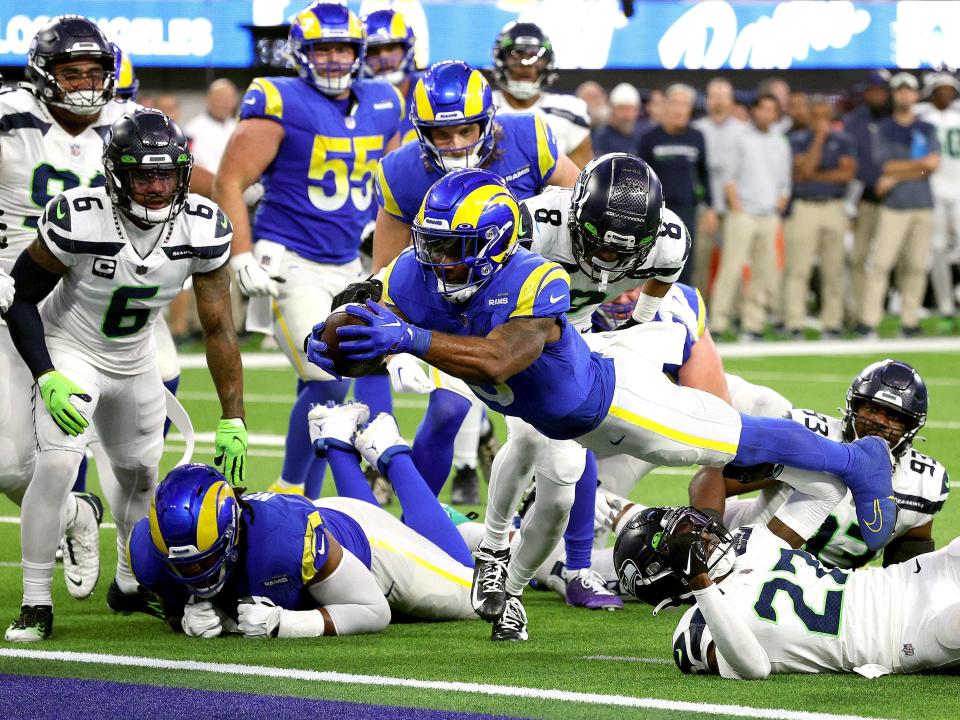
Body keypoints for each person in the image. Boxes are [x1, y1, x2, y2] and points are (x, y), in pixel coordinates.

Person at [308, 167, 897, 642]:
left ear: (491, 248)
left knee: (731, 440)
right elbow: (360, 305)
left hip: (608, 403)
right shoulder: (415, 273)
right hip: (539, 410)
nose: (439, 262)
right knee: (539, 458)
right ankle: (499, 566)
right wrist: (332, 338)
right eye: (431, 246)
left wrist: (407, 339)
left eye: (454, 250)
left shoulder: (538, 279)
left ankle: (858, 461)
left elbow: (498, 359)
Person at [2, 108, 246, 642]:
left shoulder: (202, 226)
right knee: (59, 463)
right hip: (71, 349)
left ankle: (131, 580)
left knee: (140, 474)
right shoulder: (80, 216)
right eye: (143, 174)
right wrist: (45, 374)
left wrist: (234, 419)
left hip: (136, 357)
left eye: (166, 174)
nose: (157, 187)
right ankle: (37, 601)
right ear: (116, 173)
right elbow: (18, 299)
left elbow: (219, 328)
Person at [481, 153, 692, 614]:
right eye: (599, 243)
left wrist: (638, 327)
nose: (607, 259)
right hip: (519, 327)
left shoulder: (669, 241)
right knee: (539, 439)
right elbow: (490, 282)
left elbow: (664, 275)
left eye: (622, 250)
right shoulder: (537, 222)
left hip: (580, 332)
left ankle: (548, 562)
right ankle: (497, 551)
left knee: (572, 456)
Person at [213, 2, 402, 499]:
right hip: (288, 259)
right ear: (301, 53)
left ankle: (306, 497)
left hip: (347, 262)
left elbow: (393, 183)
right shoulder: (279, 98)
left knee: (318, 384)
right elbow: (230, 181)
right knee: (328, 374)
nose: (336, 59)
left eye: (344, 48)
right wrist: (241, 254)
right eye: (324, 48)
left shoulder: (384, 100)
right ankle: (291, 489)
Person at [370, 59, 579, 505]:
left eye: (467, 130)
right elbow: (384, 278)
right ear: (421, 132)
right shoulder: (402, 171)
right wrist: (391, 351)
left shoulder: (529, 138)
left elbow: (580, 208)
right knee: (447, 410)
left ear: (489, 121)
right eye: (442, 134)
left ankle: (566, 547)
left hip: (534, 305)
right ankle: (418, 528)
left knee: (564, 425)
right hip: (456, 306)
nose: (457, 143)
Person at [0, 15, 140, 615]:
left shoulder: (127, 126)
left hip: (93, 300)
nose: (85, 83)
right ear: (44, 74)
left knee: (134, 452)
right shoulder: (10, 116)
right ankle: (78, 510)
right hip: (15, 293)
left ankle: (143, 568)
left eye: (95, 71)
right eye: (71, 71)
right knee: (10, 463)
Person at [128, 405, 477, 638]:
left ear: (232, 534)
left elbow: (374, 610)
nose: (195, 574)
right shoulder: (153, 549)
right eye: (184, 566)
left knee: (483, 597)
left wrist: (289, 623)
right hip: (322, 522)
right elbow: (174, 605)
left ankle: (388, 448)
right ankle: (337, 441)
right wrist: (183, 619)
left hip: (370, 548)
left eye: (204, 560)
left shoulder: (286, 541)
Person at [616, 499, 960, 679]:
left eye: (692, 526)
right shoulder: (693, 630)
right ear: (663, 575)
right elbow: (753, 668)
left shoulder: (747, 541)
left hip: (909, 578)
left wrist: (773, 459)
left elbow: (822, 493)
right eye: (685, 539)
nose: (702, 534)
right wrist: (701, 583)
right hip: (902, 636)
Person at [692, 359, 948, 572]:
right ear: (853, 406)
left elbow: (909, 552)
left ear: (912, 427)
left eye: (894, 417)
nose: (879, 422)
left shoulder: (923, 482)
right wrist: (707, 527)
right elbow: (711, 476)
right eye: (871, 408)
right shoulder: (813, 437)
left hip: (823, 586)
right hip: (741, 550)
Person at [858, 72, 940, 338]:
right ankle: (869, 321)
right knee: (881, 264)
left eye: (910, 91)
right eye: (900, 91)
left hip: (921, 204)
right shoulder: (884, 129)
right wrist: (916, 168)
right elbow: (887, 165)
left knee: (916, 266)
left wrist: (896, 176)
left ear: (916, 95)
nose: (905, 95)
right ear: (895, 95)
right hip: (894, 207)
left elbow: (933, 165)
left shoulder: (926, 128)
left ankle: (910, 321)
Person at [708, 93, 791, 340]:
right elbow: (728, 179)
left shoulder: (780, 142)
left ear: (776, 114)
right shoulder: (740, 140)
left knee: (763, 273)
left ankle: (752, 324)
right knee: (730, 269)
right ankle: (719, 322)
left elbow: (784, 182)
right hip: (743, 214)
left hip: (768, 216)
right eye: (762, 109)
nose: (767, 114)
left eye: (772, 110)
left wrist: (778, 205)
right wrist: (737, 208)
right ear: (755, 111)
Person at [782, 97, 857, 339]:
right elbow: (803, 171)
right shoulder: (797, 140)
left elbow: (846, 174)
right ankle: (794, 322)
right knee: (798, 269)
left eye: (825, 115)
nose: (821, 121)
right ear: (809, 117)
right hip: (805, 208)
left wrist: (815, 175)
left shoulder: (844, 140)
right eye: (816, 115)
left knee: (833, 268)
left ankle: (832, 323)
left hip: (834, 207)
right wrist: (820, 139)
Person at [637, 83, 714, 286]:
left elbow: (704, 173)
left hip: (687, 209)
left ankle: (682, 312)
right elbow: (641, 177)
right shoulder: (649, 138)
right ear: (666, 106)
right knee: (651, 260)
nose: (680, 110)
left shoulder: (697, 137)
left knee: (684, 261)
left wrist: (710, 209)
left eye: (685, 105)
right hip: (656, 210)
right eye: (676, 104)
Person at [490, 21, 593, 169]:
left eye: (534, 55)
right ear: (501, 59)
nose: (526, 65)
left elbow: (582, 181)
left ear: (547, 62)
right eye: (517, 54)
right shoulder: (482, 107)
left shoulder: (570, 111)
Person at [691, 78, 749, 294]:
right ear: (707, 100)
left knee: (735, 264)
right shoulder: (696, 130)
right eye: (714, 96)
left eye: (723, 96)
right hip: (705, 208)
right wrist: (706, 205)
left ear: (732, 100)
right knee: (700, 263)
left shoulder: (744, 131)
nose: (718, 101)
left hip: (737, 207)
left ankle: (732, 314)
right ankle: (699, 314)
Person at [915, 72, 960, 332]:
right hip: (932, 188)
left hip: (958, 186)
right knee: (938, 248)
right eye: (940, 89)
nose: (945, 93)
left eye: (949, 89)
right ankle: (945, 307)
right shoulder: (922, 116)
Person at [844, 69, 892, 318]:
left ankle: (887, 310)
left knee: (889, 260)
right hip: (863, 199)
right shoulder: (854, 122)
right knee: (858, 257)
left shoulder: (896, 119)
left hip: (894, 202)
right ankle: (859, 311)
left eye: (882, 90)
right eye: (874, 90)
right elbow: (850, 166)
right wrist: (849, 205)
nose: (878, 95)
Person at [362, 8, 419, 147]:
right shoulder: (353, 97)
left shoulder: (429, 90)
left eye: (391, 48)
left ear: (407, 49)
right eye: (374, 51)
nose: (384, 57)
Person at [591, 83, 646, 156]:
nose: (627, 115)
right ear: (612, 109)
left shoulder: (644, 137)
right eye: (622, 109)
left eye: (631, 109)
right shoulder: (598, 139)